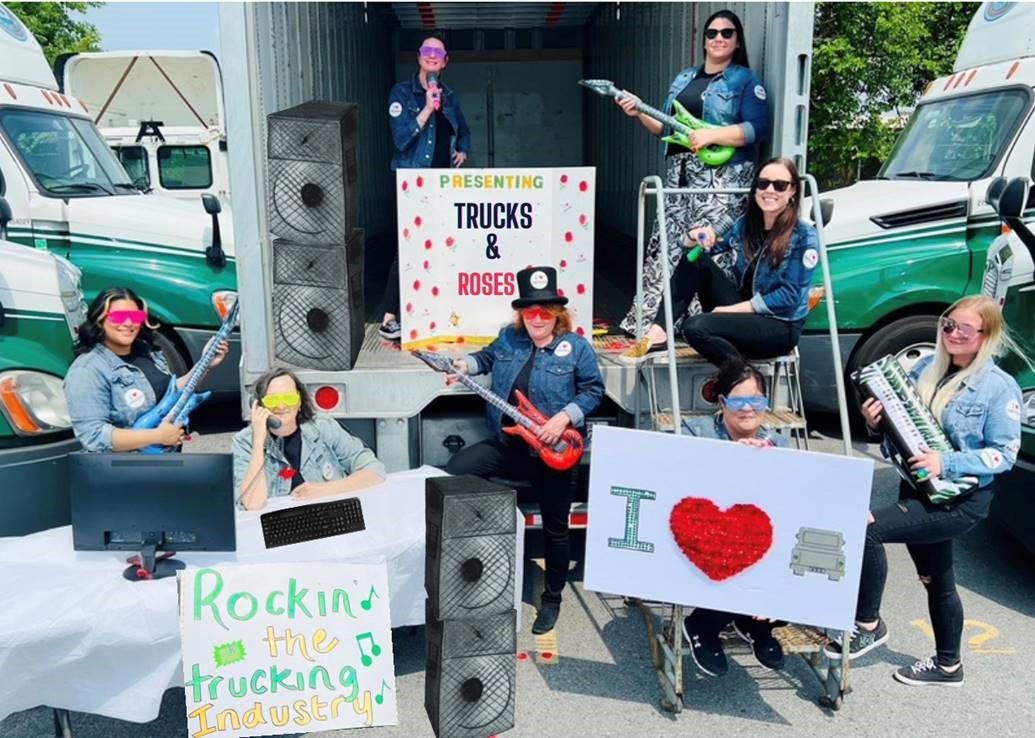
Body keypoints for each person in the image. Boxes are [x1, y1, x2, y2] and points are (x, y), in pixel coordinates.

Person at [825, 295, 1024, 687]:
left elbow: (1004, 456)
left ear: (987, 335)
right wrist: (876, 423)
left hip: (960, 500)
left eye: (965, 329)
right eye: (948, 325)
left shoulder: (999, 388)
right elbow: (902, 434)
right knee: (937, 580)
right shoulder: (925, 369)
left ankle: (868, 623)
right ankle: (948, 666)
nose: (953, 334)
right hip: (916, 488)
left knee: (864, 528)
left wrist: (946, 463)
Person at [444, 266, 604, 635]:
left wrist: (562, 419)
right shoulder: (509, 338)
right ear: (521, 315)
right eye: (529, 312)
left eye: (545, 312)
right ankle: (486, 547)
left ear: (557, 314)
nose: (536, 318)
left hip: (555, 453)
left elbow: (593, 391)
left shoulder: (577, 348)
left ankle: (552, 598)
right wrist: (462, 365)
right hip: (510, 445)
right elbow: (484, 358)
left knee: (556, 528)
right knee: (458, 470)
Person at [616, 9, 770, 337]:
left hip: (721, 178)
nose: (718, 38)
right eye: (711, 33)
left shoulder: (744, 80)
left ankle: (706, 324)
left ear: (737, 40)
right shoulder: (684, 78)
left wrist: (713, 135)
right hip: (679, 174)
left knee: (707, 246)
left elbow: (758, 127)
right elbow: (664, 128)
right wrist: (638, 110)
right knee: (667, 245)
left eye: (726, 33)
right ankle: (653, 325)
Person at [620, 157, 817, 366]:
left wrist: (732, 310)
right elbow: (703, 249)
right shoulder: (746, 224)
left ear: (793, 191)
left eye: (780, 185)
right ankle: (658, 333)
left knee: (694, 327)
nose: (770, 190)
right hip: (746, 314)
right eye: (763, 183)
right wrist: (694, 236)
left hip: (779, 326)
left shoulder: (804, 236)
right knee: (695, 261)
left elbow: (790, 296)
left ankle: (741, 375)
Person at [679, 358, 789, 675]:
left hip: (755, 537)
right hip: (708, 535)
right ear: (723, 402)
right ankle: (703, 624)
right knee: (734, 558)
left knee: (799, 567)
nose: (747, 409)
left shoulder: (778, 441)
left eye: (756, 400)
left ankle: (754, 625)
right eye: (739, 400)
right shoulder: (695, 433)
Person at [380, 32, 471, 341]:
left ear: (445, 62)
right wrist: (428, 109)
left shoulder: (451, 95)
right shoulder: (401, 94)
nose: (433, 56)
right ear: (419, 57)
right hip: (411, 180)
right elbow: (401, 139)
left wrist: (462, 150)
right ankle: (390, 316)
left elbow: (464, 129)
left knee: (442, 244)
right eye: (427, 51)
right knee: (408, 246)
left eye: (439, 53)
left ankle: (433, 308)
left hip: (442, 183)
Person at [64, 286, 228, 452]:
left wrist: (205, 363)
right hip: (124, 471)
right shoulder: (86, 371)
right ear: (100, 319)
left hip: (164, 461)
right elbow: (93, 436)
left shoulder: (147, 351)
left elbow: (171, 392)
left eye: (135, 316)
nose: (128, 323)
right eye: (119, 316)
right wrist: (157, 437)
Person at [233, 368, 386, 510]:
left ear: (299, 402)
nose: (281, 405)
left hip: (328, 514)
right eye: (272, 400)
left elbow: (375, 471)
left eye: (289, 398)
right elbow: (252, 503)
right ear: (259, 406)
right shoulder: (245, 443)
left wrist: (324, 490)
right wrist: (259, 440)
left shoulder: (324, 429)